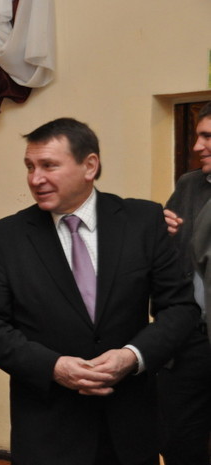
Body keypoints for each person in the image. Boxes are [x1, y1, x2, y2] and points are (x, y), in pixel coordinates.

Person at [0, 117, 200, 465]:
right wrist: (54, 366)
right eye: (30, 166)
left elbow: (180, 308)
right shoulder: (7, 237)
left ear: (90, 166)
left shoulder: (143, 221)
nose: (35, 179)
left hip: (129, 427)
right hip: (49, 430)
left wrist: (132, 356)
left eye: (48, 166)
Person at [157, 101, 211, 465]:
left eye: (208, 137)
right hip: (190, 339)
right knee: (178, 439)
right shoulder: (189, 184)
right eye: (197, 136)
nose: (197, 146)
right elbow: (172, 253)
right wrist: (162, 233)